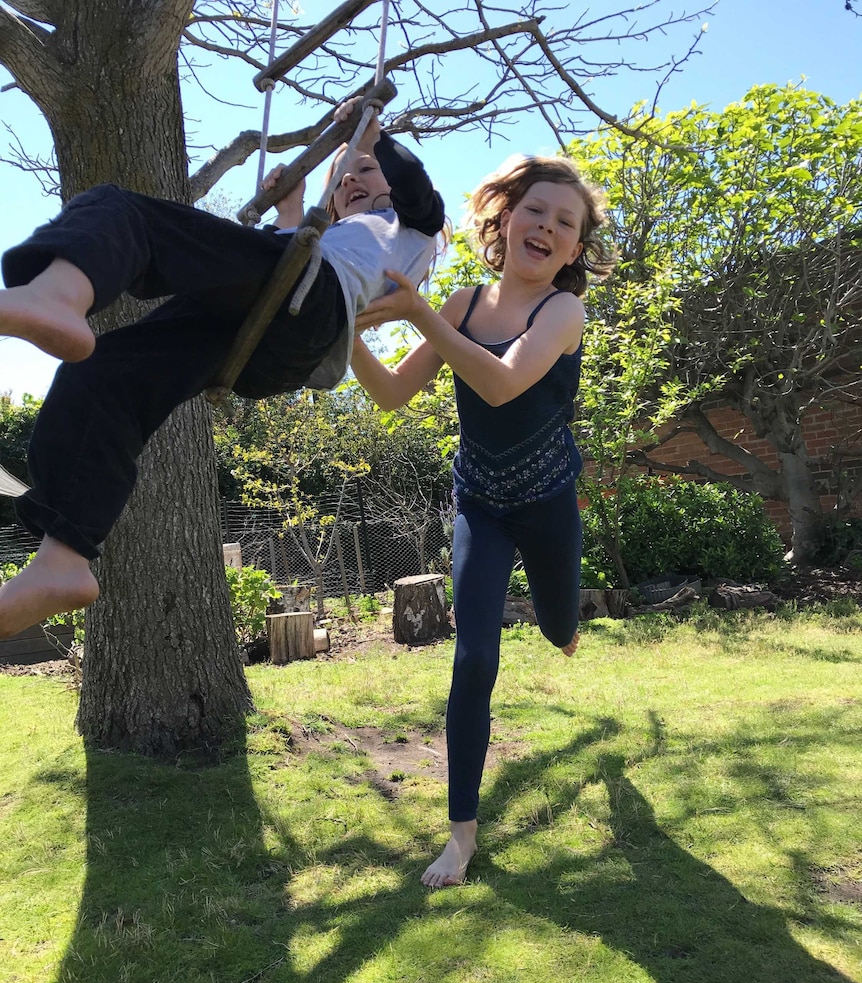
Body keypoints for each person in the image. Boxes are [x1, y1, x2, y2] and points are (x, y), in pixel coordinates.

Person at [0, 99, 445, 641]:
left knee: (121, 211)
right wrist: (291, 209)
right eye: (342, 175)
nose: (352, 177)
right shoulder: (340, 234)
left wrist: (374, 140)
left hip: (309, 302)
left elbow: (418, 196)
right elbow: (280, 256)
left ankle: (54, 293)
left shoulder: (411, 227)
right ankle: (62, 558)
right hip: (265, 337)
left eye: (366, 169)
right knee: (103, 373)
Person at [350, 154, 615, 889]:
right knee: (474, 659)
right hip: (482, 504)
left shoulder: (562, 311)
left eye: (566, 223)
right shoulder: (463, 305)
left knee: (559, 624)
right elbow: (392, 395)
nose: (548, 227)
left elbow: (499, 384)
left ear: (573, 249)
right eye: (537, 210)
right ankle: (461, 837)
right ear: (504, 217)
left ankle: (564, 629)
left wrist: (419, 313)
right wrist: (343, 333)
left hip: (550, 502)